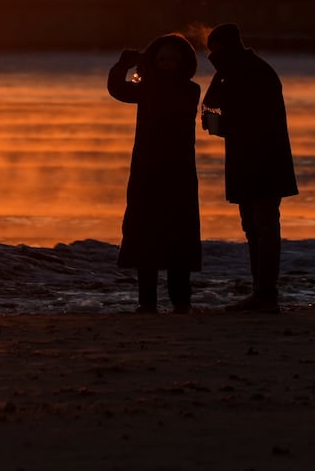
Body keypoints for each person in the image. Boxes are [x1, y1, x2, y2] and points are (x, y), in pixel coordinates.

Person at [201, 23, 297, 312]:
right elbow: (214, 103)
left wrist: (219, 125)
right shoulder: (238, 71)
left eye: (215, 53)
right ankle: (263, 292)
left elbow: (250, 120)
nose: (214, 58)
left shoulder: (251, 72)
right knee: (254, 227)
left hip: (263, 160)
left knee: (263, 227)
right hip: (252, 159)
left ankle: (266, 294)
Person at [107, 33, 203, 314]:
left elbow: (128, 90)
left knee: (178, 237)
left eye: (173, 59)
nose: (167, 64)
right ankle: (147, 302)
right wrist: (124, 64)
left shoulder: (188, 90)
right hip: (146, 171)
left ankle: (181, 301)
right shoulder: (148, 88)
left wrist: (137, 66)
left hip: (178, 173)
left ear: (184, 62)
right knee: (144, 235)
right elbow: (117, 89)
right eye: (161, 59)